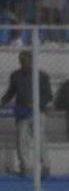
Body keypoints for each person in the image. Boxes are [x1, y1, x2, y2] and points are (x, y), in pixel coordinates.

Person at [1, 50, 52, 178]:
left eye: (26, 60)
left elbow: (48, 95)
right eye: (22, 61)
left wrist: (36, 103)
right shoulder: (15, 76)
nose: (24, 63)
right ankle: (26, 166)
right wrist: (2, 102)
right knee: (22, 139)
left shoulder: (42, 76)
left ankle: (45, 165)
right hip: (22, 112)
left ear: (32, 61)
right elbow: (11, 92)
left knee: (39, 138)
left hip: (38, 112)